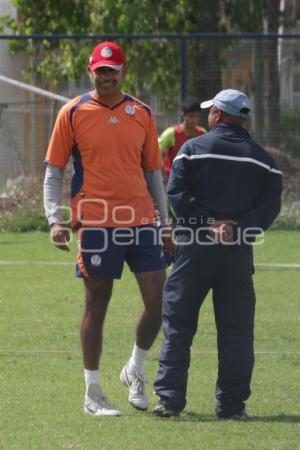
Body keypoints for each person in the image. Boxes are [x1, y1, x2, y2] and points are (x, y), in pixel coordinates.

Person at [43, 41, 173, 417]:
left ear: (123, 71)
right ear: (90, 71)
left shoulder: (143, 113)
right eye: (100, 71)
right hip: (97, 222)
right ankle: (93, 392)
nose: (106, 77)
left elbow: (153, 173)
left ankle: (135, 368)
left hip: (143, 220)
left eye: (112, 70)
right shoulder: (71, 112)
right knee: (97, 304)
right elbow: (53, 170)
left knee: (159, 303)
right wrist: (55, 219)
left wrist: (164, 223)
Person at [153, 89, 282, 419]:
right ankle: (232, 405)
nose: (207, 115)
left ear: (219, 116)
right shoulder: (264, 161)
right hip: (237, 254)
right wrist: (235, 228)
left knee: (179, 324)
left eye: (211, 111)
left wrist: (207, 223)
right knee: (236, 330)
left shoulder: (191, 149)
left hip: (194, 250)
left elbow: (176, 194)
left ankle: (169, 399)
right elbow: (269, 208)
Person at [158, 100, 206, 182]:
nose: (194, 120)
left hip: (195, 181)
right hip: (174, 179)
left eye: (197, 116)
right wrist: (163, 174)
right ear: (183, 115)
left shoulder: (202, 133)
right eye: (191, 116)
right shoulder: (171, 133)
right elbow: (157, 152)